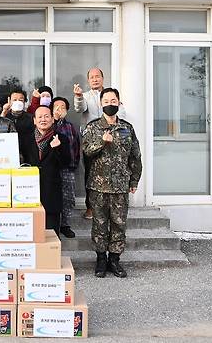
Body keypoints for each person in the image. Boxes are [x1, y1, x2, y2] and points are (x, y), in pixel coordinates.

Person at [81, 88, 142, 279]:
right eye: (106, 100)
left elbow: (135, 156)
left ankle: (114, 260)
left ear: (118, 103)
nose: (110, 103)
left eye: (113, 100)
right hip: (98, 186)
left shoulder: (127, 128)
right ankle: (100, 260)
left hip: (120, 186)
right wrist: (102, 142)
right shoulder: (92, 127)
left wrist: (134, 180)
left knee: (118, 224)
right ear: (100, 104)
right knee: (99, 225)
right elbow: (86, 152)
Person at [73, 68, 126, 220]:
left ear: (103, 78)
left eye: (97, 76)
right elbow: (79, 108)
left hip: (112, 139)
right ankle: (90, 207)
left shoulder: (111, 95)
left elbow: (122, 113)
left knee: (113, 171)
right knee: (91, 173)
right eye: (92, 77)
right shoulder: (85, 96)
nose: (95, 79)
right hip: (92, 141)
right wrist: (78, 96)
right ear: (88, 81)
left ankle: (111, 207)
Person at [18, 105, 71, 235]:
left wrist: (57, 148)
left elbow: (66, 163)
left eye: (47, 116)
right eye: (40, 117)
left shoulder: (61, 138)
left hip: (51, 191)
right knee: (28, 233)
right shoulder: (25, 139)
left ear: (53, 119)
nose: (43, 119)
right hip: (28, 191)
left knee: (51, 233)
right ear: (34, 120)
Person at [52, 96, 80, 239]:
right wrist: (55, 120)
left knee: (68, 197)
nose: (59, 109)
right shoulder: (49, 124)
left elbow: (75, 147)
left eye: (62, 107)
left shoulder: (70, 127)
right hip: (51, 169)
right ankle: (53, 225)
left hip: (68, 168)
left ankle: (65, 225)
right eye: (56, 107)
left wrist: (74, 164)